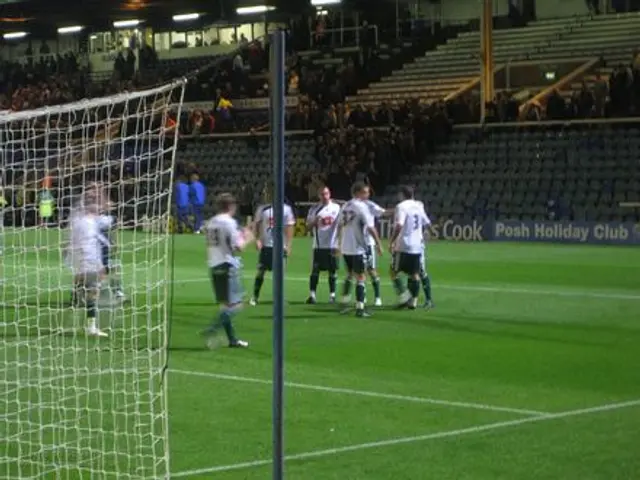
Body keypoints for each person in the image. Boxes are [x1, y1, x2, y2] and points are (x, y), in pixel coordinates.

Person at [202, 193, 254, 348]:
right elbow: (238, 246)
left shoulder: (211, 223)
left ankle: (232, 340)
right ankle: (212, 328)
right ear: (231, 206)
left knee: (225, 306)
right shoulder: (229, 222)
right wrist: (248, 237)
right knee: (236, 305)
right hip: (227, 265)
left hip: (214, 265)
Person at [67, 184, 109, 337]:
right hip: (89, 260)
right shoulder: (90, 222)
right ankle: (91, 327)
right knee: (93, 292)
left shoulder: (76, 219)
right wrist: (99, 266)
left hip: (77, 260)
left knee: (81, 288)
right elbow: (89, 244)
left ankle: (72, 317)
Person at [336, 181, 383, 317]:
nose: (368, 195)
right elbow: (370, 227)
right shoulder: (361, 207)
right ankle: (360, 308)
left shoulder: (345, 206)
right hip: (358, 247)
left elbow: (340, 225)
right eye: (365, 192)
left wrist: (338, 244)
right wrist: (379, 243)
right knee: (361, 277)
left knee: (351, 274)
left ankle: (345, 302)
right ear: (358, 193)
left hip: (346, 247)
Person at [249, 190, 295, 306]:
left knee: (280, 273)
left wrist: (288, 245)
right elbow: (256, 225)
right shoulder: (263, 209)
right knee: (261, 271)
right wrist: (257, 240)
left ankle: (279, 297)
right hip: (267, 245)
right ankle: (254, 296)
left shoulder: (286, 209)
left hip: (280, 246)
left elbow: (289, 227)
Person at [389, 185, 430, 310]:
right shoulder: (419, 205)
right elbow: (427, 223)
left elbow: (399, 225)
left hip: (404, 245)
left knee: (393, 272)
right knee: (415, 274)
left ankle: (404, 296)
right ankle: (414, 301)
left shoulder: (401, 206)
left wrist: (392, 241)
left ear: (402, 194)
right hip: (417, 246)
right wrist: (426, 235)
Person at [305, 186, 342, 304]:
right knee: (315, 270)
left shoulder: (336, 208)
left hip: (332, 245)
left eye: (326, 193)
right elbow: (306, 228)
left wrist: (339, 242)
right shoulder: (314, 209)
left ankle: (332, 296)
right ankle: (312, 295)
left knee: (333, 271)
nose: (325, 196)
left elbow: (341, 225)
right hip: (318, 245)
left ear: (329, 194)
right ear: (319, 196)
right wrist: (314, 222)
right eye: (322, 194)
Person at [364, 198, 392, 306]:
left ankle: (377, 297)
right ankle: (362, 296)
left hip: (368, 243)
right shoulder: (352, 205)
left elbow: (384, 212)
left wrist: (398, 209)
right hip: (355, 245)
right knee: (359, 271)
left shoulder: (370, 205)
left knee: (371, 270)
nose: (367, 195)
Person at [416, 200, 434, 308]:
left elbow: (427, 223)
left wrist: (429, 232)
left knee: (421, 271)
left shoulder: (418, 209)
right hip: (407, 246)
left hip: (417, 245)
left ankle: (428, 299)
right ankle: (412, 299)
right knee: (411, 272)